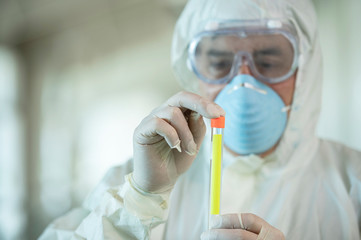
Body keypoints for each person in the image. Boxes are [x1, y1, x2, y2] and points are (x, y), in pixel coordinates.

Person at [39, 0, 361, 239]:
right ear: (193, 74)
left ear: (305, 71)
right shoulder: (135, 182)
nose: (243, 81)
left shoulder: (352, 184)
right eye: (221, 63)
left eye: (269, 60)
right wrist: (140, 201)